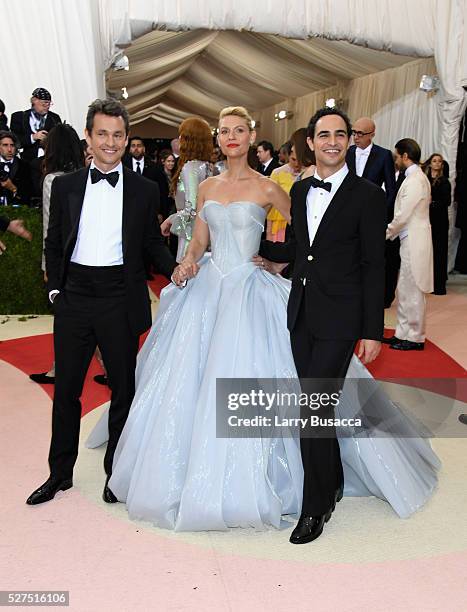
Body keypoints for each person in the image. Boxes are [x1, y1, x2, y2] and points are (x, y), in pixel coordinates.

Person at [87, 106, 439, 537]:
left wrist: (277, 263)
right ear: (217, 138)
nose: (231, 137)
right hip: (208, 293)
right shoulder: (208, 187)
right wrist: (189, 264)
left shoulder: (273, 188)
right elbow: (199, 241)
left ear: (251, 137)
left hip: (252, 295)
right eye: (225, 131)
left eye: (239, 130)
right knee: (189, 383)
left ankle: (314, 486)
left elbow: (309, 237)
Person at [26, 98, 176, 507]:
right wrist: (56, 290)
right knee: (67, 391)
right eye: (102, 134)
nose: (110, 142)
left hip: (119, 296)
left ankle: (117, 473)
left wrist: (176, 268)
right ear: (88, 138)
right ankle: (60, 474)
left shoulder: (145, 190)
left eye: (118, 134)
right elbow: (54, 241)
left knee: (123, 391)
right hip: (74, 295)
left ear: (127, 140)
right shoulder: (67, 185)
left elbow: (150, 243)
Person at [29, 124, 85, 385]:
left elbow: (51, 229)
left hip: (63, 261)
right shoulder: (83, 175)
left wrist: (47, 266)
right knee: (81, 317)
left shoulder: (53, 180)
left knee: (66, 318)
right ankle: (111, 370)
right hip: (85, 258)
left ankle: (58, 370)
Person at [385, 139, 433, 351]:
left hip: (414, 241)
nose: (396, 160)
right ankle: (402, 333)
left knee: (413, 289)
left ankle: (415, 337)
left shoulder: (416, 180)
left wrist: (384, 233)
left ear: (405, 156)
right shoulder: (413, 177)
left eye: (397, 156)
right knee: (404, 288)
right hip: (408, 240)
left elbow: (403, 214)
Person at [346, 117, 398, 308]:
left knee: (370, 257)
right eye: (354, 132)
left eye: (361, 133)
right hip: (347, 214)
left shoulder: (383, 155)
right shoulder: (347, 152)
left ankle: (372, 297)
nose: (356, 137)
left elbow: (391, 190)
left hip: (371, 216)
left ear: (372, 134)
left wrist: (381, 215)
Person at [160, 117, 213, 262]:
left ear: (190, 139)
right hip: (206, 234)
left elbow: (192, 209)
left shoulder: (191, 167)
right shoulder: (209, 166)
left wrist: (169, 220)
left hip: (192, 236)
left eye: (182, 134)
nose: (179, 138)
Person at [424, 153, 451, 295]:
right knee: (427, 252)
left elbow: (447, 202)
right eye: (434, 161)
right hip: (426, 220)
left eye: (439, 161)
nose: (436, 163)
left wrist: (431, 203)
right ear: (430, 163)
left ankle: (439, 285)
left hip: (439, 221)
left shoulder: (445, 181)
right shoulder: (424, 179)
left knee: (439, 252)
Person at [0, 130, 32, 206]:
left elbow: (28, 195)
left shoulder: (24, 166)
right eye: (5, 145)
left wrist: (13, 189)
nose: (9, 149)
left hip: (17, 211)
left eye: (12, 145)